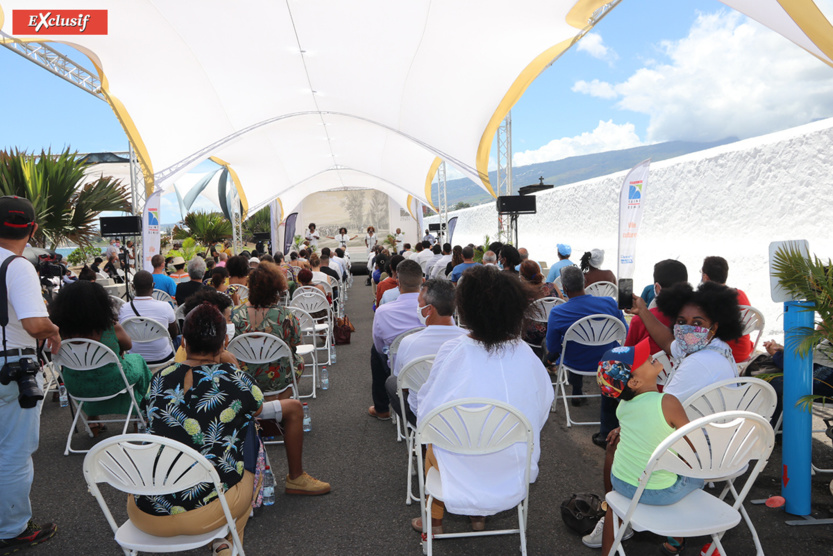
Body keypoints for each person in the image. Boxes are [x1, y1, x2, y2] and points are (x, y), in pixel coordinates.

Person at [131, 304, 328, 556]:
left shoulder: (159, 378)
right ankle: (227, 540)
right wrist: (231, 364)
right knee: (249, 430)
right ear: (224, 340)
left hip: (146, 512)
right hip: (207, 512)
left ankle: (221, 542)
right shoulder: (236, 379)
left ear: (183, 342)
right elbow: (256, 407)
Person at [412, 265, 553, 534]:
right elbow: (542, 409)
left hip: (456, 470)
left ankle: (435, 522)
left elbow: (426, 414)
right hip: (513, 469)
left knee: (433, 445)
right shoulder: (527, 356)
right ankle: (479, 518)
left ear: (463, 310)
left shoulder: (451, 351)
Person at [586, 340, 700, 554]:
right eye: (644, 358)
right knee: (694, 475)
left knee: (614, 507)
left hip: (621, 484)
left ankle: (608, 552)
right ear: (634, 382)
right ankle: (674, 542)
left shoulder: (623, 405)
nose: (652, 356)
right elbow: (692, 443)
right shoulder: (668, 402)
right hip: (660, 491)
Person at [0, 196, 60, 552]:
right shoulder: (17, 266)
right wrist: (53, 328)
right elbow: (34, 323)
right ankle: (13, 527)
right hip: (11, 368)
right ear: (32, 229)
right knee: (14, 452)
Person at [49, 280, 152, 434]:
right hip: (113, 381)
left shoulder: (57, 332)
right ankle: (141, 414)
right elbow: (128, 345)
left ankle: (92, 419)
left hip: (76, 384)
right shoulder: (109, 327)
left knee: (87, 373)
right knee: (138, 361)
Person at [545, 266, 627, 447]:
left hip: (575, 361)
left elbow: (552, 347)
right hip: (607, 361)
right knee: (587, 348)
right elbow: (624, 334)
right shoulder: (610, 303)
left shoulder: (558, 313)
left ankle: (577, 391)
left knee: (570, 348)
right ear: (585, 283)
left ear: (564, 288)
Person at [628, 281, 743, 406]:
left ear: (714, 327)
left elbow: (661, 409)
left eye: (697, 323)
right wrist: (642, 311)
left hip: (698, 424)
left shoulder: (698, 362)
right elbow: (668, 342)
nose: (688, 330)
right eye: (681, 322)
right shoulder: (714, 345)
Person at [384, 279, 466, 426]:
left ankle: (417, 432)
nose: (417, 307)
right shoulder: (469, 339)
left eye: (419, 302)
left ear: (429, 310)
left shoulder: (409, 342)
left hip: (424, 415)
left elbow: (402, 384)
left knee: (391, 382)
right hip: (463, 411)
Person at [231, 263, 304, 397]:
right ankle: (281, 403)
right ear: (275, 288)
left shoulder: (233, 315)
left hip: (243, 377)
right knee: (299, 361)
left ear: (250, 286)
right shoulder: (285, 315)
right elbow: (296, 343)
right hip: (277, 376)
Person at [369, 259, 424, 420]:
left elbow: (380, 347)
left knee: (376, 351)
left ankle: (382, 409)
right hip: (430, 365)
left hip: (398, 369)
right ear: (422, 281)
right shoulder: (433, 309)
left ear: (398, 283)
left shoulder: (383, 311)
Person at [761, 339, 833, 427]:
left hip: (821, 389)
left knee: (767, 384)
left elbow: (799, 371)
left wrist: (777, 355)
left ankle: (773, 431)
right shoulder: (825, 339)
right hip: (820, 383)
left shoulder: (824, 336)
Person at [624, 259, 688, 355]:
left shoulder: (640, 319)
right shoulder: (697, 319)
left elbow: (627, 354)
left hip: (648, 369)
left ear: (657, 288)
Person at [700, 256, 753, 363]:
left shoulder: (704, 301)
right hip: (743, 354)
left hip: (721, 357)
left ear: (705, 277)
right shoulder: (740, 294)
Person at [118, 271, 178, 365]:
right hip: (163, 357)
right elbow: (174, 333)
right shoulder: (165, 306)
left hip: (135, 357)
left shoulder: (123, 309)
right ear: (153, 285)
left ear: (133, 287)